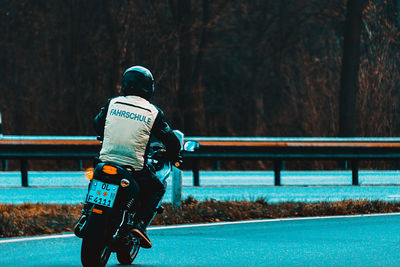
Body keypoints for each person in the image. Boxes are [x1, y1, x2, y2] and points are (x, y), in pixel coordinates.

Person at [93, 66, 181, 248]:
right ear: (149, 87)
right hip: (133, 166)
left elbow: (97, 123)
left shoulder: (112, 103)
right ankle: (140, 226)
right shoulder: (153, 112)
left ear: (125, 84)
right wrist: (171, 154)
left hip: (105, 161)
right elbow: (171, 140)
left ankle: (87, 213)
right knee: (157, 188)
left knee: (97, 177)